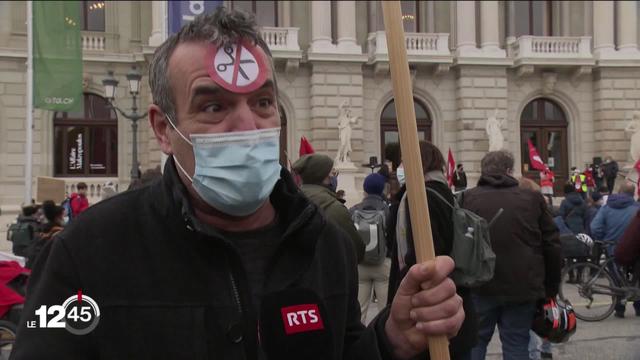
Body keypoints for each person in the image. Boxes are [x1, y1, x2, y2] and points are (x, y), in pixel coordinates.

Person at [12, 9, 464, 359]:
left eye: (263, 102)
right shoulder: (82, 254)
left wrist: (390, 341)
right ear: (163, 129)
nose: (247, 125)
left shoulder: (325, 244)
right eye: (213, 107)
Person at [461, 150, 562, 360]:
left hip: (480, 285)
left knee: (475, 343)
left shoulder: (467, 198)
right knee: (516, 344)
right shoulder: (532, 198)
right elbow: (551, 244)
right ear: (509, 171)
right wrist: (550, 288)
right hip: (522, 286)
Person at [388, 141, 478, 360]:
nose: (399, 167)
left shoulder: (420, 197)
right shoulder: (446, 192)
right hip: (455, 303)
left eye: (402, 161)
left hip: (429, 313)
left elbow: (421, 259)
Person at [293, 154, 365, 262]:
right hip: (328, 274)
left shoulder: (289, 202)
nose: (335, 177)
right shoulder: (335, 208)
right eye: (333, 173)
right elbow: (356, 250)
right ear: (324, 177)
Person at [590, 182, 640, 318]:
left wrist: (604, 239)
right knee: (636, 276)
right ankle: (638, 306)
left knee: (615, 278)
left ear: (619, 191)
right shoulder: (637, 208)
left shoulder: (606, 208)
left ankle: (619, 309)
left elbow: (595, 227)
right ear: (633, 193)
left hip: (612, 248)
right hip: (633, 249)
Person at [518, 178, 553, 360]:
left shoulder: (515, 212)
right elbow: (552, 245)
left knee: (526, 321)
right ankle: (546, 349)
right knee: (546, 313)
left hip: (525, 277)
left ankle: (534, 354)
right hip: (541, 273)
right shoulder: (542, 211)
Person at [349, 173, 391, 322]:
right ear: (382, 190)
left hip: (360, 264)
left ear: (364, 189)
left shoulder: (353, 210)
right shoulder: (388, 210)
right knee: (386, 311)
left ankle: (360, 343)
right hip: (383, 263)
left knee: (359, 312)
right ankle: (382, 342)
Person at [25, 200, 65, 269]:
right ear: (57, 217)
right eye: (62, 216)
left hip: (33, 269)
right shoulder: (59, 232)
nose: (63, 219)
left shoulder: (40, 230)